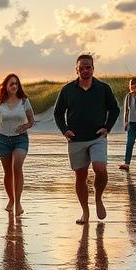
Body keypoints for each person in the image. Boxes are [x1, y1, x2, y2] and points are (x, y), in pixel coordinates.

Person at [53, 54, 120, 224]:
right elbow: (58, 113)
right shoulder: (67, 90)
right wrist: (65, 130)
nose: (85, 70)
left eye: (88, 67)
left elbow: (114, 109)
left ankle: (98, 198)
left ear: (93, 68)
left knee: (99, 168)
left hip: (97, 137)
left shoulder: (103, 88)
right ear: (76, 69)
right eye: (81, 67)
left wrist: (107, 127)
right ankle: (85, 213)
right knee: (80, 176)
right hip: (76, 139)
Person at [0, 73, 35, 216]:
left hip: (20, 139)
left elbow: (32, 121)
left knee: (17, 166)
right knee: (8, 172)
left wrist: (25, 126)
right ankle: (11, 199)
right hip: (3, 140)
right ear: (6, 87)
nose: (14, 86)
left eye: (16, 84)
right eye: (11, 84)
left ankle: (18, 203)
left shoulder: (24, 101)